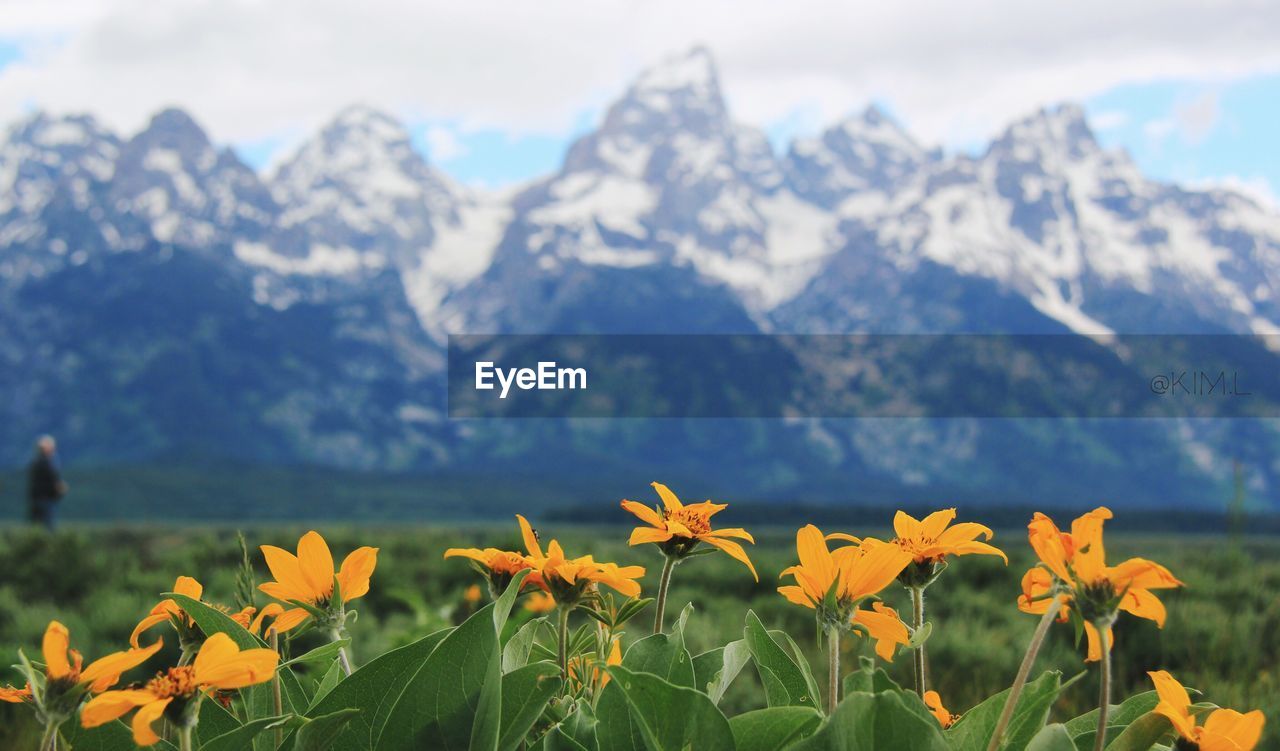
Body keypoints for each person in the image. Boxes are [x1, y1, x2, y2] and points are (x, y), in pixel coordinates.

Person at [27, 435, 68, 531]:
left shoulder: (35, 463)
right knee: (48, 529)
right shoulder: (49, 463)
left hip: (36, 499)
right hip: (47, 500)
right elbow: (55, 482)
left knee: (35, 528)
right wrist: (61, 489)